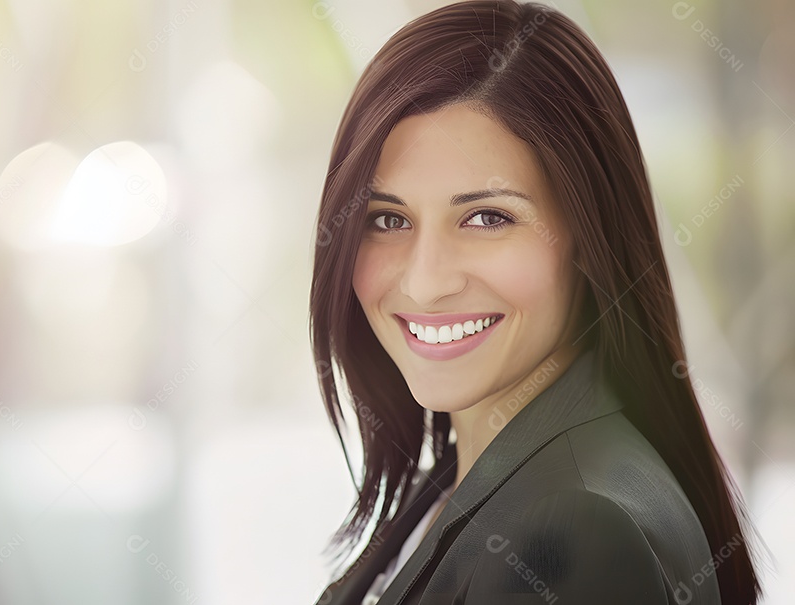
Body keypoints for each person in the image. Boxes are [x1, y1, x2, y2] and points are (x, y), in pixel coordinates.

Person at [307, 1, 764, 603]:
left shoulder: (574, 535)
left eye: (486, 217)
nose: (424, 283)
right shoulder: (471, 475)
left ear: (588, 233)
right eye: (388, 218)